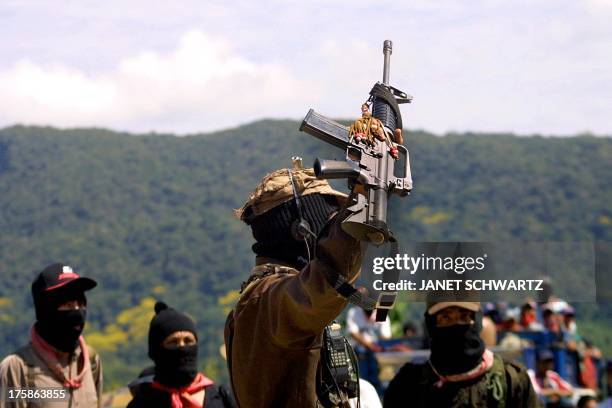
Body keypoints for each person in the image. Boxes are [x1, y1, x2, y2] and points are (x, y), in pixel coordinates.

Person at [224, 161, 365, 407]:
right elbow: (329, 277)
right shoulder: (269, 298)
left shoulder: (263, 297)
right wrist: (364, 196)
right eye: (328, 221)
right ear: (301, 230)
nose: (330, 232)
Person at [384, 301, 539, 407]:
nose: (456, 324)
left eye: (465, 316)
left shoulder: (512, 380)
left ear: (476, 322)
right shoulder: (408, 386)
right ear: (432, 324)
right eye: (446, 317)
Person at [0, 263, 102, 408]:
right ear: (46, 309)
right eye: (67, 305)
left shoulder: (89, 362)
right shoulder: (17, 368)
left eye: (80, 303)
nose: (77, 312)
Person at [127, 301, 236, 408]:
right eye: (173, 342)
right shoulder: (142, 404)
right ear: (156, 350)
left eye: (188, 341)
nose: (182, 347)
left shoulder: (223, 397)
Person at [346, 288, 391, 394]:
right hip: (359, 354)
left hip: (376, 355)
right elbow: (353, 332)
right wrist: (369, 345)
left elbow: (386, 336)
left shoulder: (380, 313)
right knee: (363, 383)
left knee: (377, 383)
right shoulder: (354, 313)